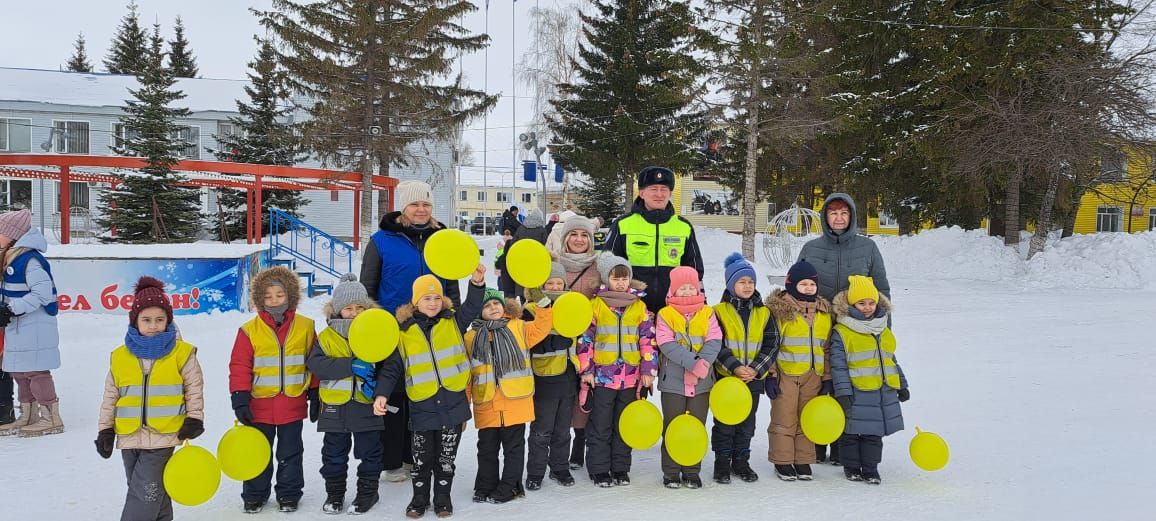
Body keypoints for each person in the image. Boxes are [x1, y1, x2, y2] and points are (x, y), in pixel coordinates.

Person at [362, 180, 461, 483]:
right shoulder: (381, 241)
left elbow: (452, 287)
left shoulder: (442, 240)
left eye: (426, 204)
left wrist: (452, 321)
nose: (421, 209)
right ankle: (392, 460)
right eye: (415, 204)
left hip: (432, 329)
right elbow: (368, 287)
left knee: (424, 393)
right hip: (394, 329)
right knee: (394, 394)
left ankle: (414, 456)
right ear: (402, 207)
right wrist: (373, 324)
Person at [375, 271, 484, 518]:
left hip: (452, 402)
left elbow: (472, 305)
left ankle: (443, 500)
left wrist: (476, 283)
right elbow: (392, 367)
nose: (433, 303)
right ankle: (419, 500)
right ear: (416, 302)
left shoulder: (453, 321)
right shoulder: (403, 332)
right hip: (422, 404)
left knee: (446, 459)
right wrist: (382, 393)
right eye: (426, 298)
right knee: (421, 460)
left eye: (436, 297)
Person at [95, 276, 205, 521]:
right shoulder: (120, 356)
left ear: (169, 321)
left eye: (160, 319)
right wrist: (105, 430)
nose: (153, 325)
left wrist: (195, 418)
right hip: (129, 436)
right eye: (146, 320)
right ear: (135, 321)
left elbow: (194, 387)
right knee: (151, 491)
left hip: (163, 435)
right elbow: (110, 395)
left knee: (144, 493)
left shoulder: (181, 353)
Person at [796, 193, 890, 464]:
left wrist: (882, 329)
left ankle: (841, 446)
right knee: (816, 384)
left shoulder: (867, 249)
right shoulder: (812, 248)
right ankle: (814, 443)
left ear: (851, 217)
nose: (838, 218)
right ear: (825, 217)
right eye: (833, 213)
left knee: (848, 388)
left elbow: (881, 290)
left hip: (856, 330)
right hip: (817, 328)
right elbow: (798, 284)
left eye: (844, 213)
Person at [229, 265, 319, 513]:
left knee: (290, 453)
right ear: (259, 299)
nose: (274, 300)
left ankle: (289, 494)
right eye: (267, 296)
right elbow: (239, 365)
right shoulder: (249, 331)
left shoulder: (306, 327)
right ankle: (255, 494)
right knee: (258, 452)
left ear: (289, 295)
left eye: (279, 295)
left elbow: (314, 360)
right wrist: (239, 397)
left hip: (292, 404)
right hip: (258, 405)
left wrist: (315, 391)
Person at [465, 280, 553, 504]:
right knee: (486, 448)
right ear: (479, 311)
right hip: (486, 402)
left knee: (513, 448)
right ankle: (485, 485)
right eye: (487, 305)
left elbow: (544, 325)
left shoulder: (519, 327)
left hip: (515, 400)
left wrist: (539, 297)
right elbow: (467, 374)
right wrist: (465, 404)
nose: (493, 307)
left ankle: (510, 486)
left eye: (497, 303)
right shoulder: (471, 337)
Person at [306, 274, 387, 514]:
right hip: (335, 408)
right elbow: (316, 365)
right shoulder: (327, 336)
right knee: (333, 454)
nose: (354, 313)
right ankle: (335, 494)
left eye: (359, 308)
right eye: (348, 308)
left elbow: (388, 367)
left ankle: (368, 492)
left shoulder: (376, 333)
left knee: (371, 453)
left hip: (365, 405)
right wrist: (349, 365)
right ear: (338, 310)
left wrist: (379, 386)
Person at [577, 253, 656, 488]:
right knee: (601, 425)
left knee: (625, 424)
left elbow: (647, 340)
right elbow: (585, 340)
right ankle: (600, 469)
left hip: (631, 379)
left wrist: (648, 370)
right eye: (615, 278)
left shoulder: (639, 307)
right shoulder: (596, 306)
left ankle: (620, 467)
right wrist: (586, 369)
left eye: (624, 278)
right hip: (602, 378)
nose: (620, 283)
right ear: (606, 279)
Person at [828, 276, 909, 485]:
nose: (867, 308)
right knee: (852, 432)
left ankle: (871, 469)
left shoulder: (882, 328)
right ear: (852, 304)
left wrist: (902, 384)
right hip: (857, 391)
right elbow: (839, 365)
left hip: (881, 391)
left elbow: (890, 358)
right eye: (861, 303)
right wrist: (843, 392)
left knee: (874, 433)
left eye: (871, 303)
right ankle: (852, 467)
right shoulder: (843, 331)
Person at [710, 253, 778, 485]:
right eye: (742, 281)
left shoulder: (765, 313)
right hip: (727, 379)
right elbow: (715, 344)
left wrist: (756, 369)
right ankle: (722, 462)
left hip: (753, 380)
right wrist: (736, 368)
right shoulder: (718, 311)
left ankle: (741, 460)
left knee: (747, 423)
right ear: (730, 284)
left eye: (751, 281)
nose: (747, 286)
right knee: (725, 423)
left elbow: (772, 344)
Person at [602, 166, 704, 313]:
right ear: (642, 193)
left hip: (673, 309)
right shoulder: (623, 224)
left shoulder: (683, 227)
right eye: (653, 189)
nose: (659, 194)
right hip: (632, 308)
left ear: (670, 193)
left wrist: (698, 301)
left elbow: (695, 270)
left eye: (664, 189)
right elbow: (607, 264)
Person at [765, 260, 832, 481]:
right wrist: (771, 375)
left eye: (812, 285)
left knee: (807, 418)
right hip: (786, 374)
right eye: (803, 284)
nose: (808, 289)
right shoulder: (781, 311)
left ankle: (803, 460)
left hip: (813, 375)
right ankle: (783, 461)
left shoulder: (824, 314)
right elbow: (771, 345)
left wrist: (827, 377)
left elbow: (828, 348)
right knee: (784, 418)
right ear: (791, 285)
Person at [655, 266, 722, 489]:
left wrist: (702, 365)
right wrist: (695, 364)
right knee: (672, 426)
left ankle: (692, 471)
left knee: (696, 426)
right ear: (673, 289)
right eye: (681, 287)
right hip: (673, 383)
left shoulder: (707, 312)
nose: (686, 291)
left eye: (690, 287)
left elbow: (714, 340)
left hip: (702, 385)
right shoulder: (665, 314)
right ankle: (671, 471)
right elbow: (667, 344)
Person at [544, 214, 601, 472]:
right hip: (561, 342)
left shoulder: (599, 266)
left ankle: (581, 444)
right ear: (565, 239)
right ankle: (559, 449)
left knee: (588, 393)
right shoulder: (552, 265)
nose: (579, 240)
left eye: (584, 236)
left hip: (591, 340)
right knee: (565, 394)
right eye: (573, 235)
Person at [0, 210, 64, 437]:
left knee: (36, 372)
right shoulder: (12, 257)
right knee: (19, 372)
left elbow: (43, 294)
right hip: (18, 326)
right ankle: (28, 415)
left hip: (34, 326)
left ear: (13, 236)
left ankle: (51, 418)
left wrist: (11, 308)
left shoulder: (30, 260)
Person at [522, 263, 579, 490]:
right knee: (541, 430)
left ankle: (559, 468)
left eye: (559, 282)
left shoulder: (573, 306)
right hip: (544, 377)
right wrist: (554, 342)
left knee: (563, 430)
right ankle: (535, 472)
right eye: (550, 283)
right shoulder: (531, 310)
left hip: (568, 376)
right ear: (542, 285)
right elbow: (528, 342)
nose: (555, 286)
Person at [509, 208, 548, 300]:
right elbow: (546, 247)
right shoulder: (542, 230)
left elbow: (513, 244)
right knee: (535, 289)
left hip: (521, 262)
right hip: (537, 264)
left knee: (522, 285)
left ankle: (523, 305)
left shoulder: (521, 228)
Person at [494, 228, 517, 298]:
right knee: (512, 298)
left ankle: (506, 307)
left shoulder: (503, 257)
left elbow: (497, 265)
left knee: (506, 296)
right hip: (513, 282)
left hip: (505, 281)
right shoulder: (515, 258)